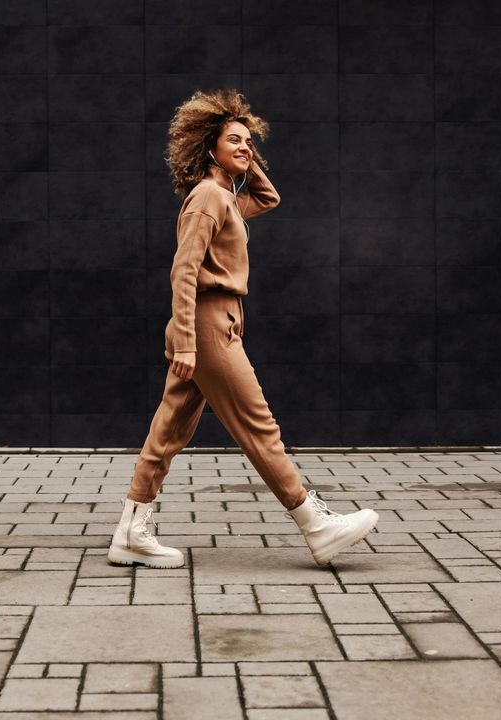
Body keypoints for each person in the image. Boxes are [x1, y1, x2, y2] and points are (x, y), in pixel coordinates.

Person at [107, 88, 379, 569]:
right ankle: (316, 526)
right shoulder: (209, 198)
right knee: (260, 427)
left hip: (216, 323)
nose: (246, 147)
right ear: (208, 147)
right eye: (234, 140)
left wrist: (241, 157)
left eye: (250, 141)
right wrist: (188, 343)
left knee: (168, 431)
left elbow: (268, 197)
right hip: (208, 329)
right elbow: (183, 271)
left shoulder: (227, 199)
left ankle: (131, 531)